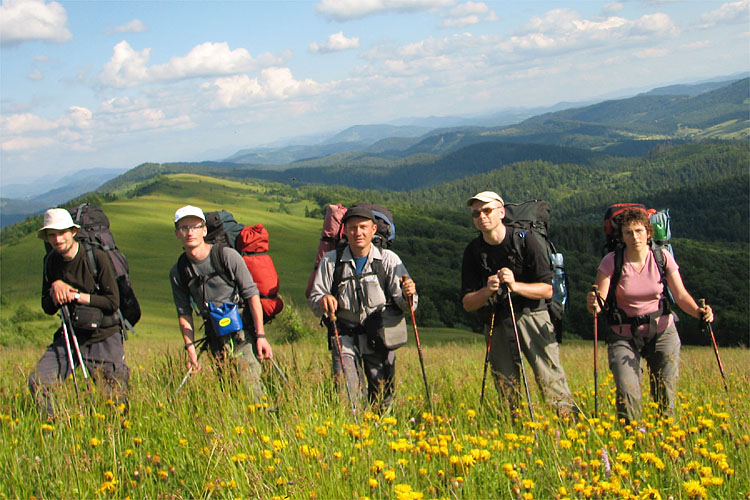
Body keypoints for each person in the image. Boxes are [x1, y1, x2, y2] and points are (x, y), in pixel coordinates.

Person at [587, 207, 713, 424]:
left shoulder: (662, 258)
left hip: (663, 330)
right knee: (627, 393)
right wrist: (593, 304)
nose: (634, 237)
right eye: (628, 232)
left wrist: (699, 313)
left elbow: (680, 295)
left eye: (639, 231)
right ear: (622, 236)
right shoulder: (611, 261)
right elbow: (599, 303)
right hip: (623, 334)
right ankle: (631, 437)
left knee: (665, 393)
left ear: (648, 232)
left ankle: (665, 438)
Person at [461, 191, 577, 418]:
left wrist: (515, 286)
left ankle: (568, 425)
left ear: (501, 212)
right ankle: (516, 427)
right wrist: (487, 291)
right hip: (496, 320)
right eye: (476, 214)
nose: (481, 217)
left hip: (532, 315)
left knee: (549, 377)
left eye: (487, 211)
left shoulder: (527, 241)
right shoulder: (473, 251)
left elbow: (547, 289)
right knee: (505, 383)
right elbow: (467, 303)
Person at [308, 205, 417, 412]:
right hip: (344, 336)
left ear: (374, 229)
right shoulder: (331, 261)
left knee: (383, 397)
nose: (358, 232)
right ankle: (355, 436)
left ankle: (382, 434)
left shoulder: (388, 260)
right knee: (348, 396)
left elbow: (405, 305)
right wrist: (323, 300)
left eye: (363, 227)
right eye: (352, 228)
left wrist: (409, 295)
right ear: (345, 231)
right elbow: (315, 299)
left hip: (379, 336)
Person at [29, 208, 130, 416]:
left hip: (104, 333)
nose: (57, 239)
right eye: (51, 234)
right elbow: (48, 307)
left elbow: (112, 302)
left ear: (73, 232)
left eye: (62, 232)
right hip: (71, 333)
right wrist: (55, 287)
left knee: (115, 398)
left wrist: (75, 296)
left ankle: (119, 437)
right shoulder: (51, 263)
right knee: (38, 381)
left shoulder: (96, 258)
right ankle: (51, 427)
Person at [169, 205, 273, 400]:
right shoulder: (179, 271)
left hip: (243, 333)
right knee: (228, 392)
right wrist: (190, 349)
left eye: (195, 226)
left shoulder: (226, 256)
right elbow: (184, 312)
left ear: (204, 230)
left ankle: (266, 422)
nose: (190, 232)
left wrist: (260, 336)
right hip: (214, 337)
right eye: (184, 228)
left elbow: (252, 294)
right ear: (177, 233)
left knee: (253, 390)